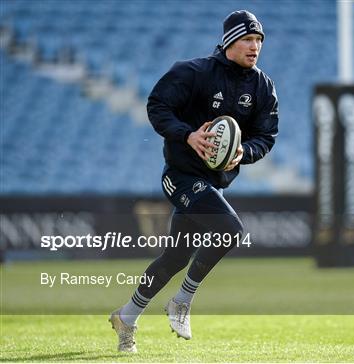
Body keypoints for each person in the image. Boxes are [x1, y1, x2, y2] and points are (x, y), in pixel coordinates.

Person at [108, 10, 278, 353]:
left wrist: (244, 151)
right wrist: (187, 135)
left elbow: (266, 135)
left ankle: (127, 317)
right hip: (181, 176)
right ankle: (182, 301)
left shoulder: (262, 85)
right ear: (230, 41)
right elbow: (157, 106)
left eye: (259, 40)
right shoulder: (193, 72)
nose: (255, 46)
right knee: (230, 230)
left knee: (175, 257)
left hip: (212, 182)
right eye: (248, 39)